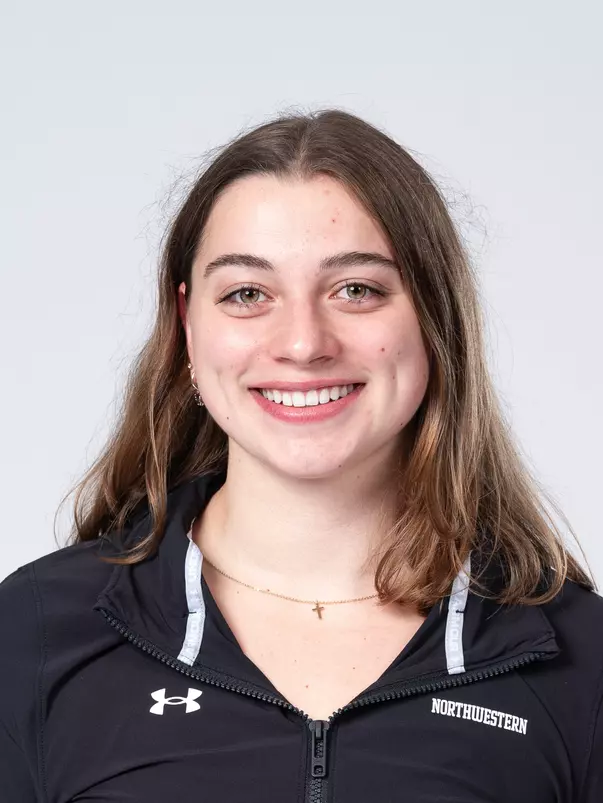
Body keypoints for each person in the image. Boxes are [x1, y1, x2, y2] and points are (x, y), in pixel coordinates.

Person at [0, 109, 601, 803]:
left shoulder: (578, 662)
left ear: (434, 319)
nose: (303, 343)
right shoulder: (36, 634)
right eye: (247, 294)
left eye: (356, 289)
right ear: (187, 329)